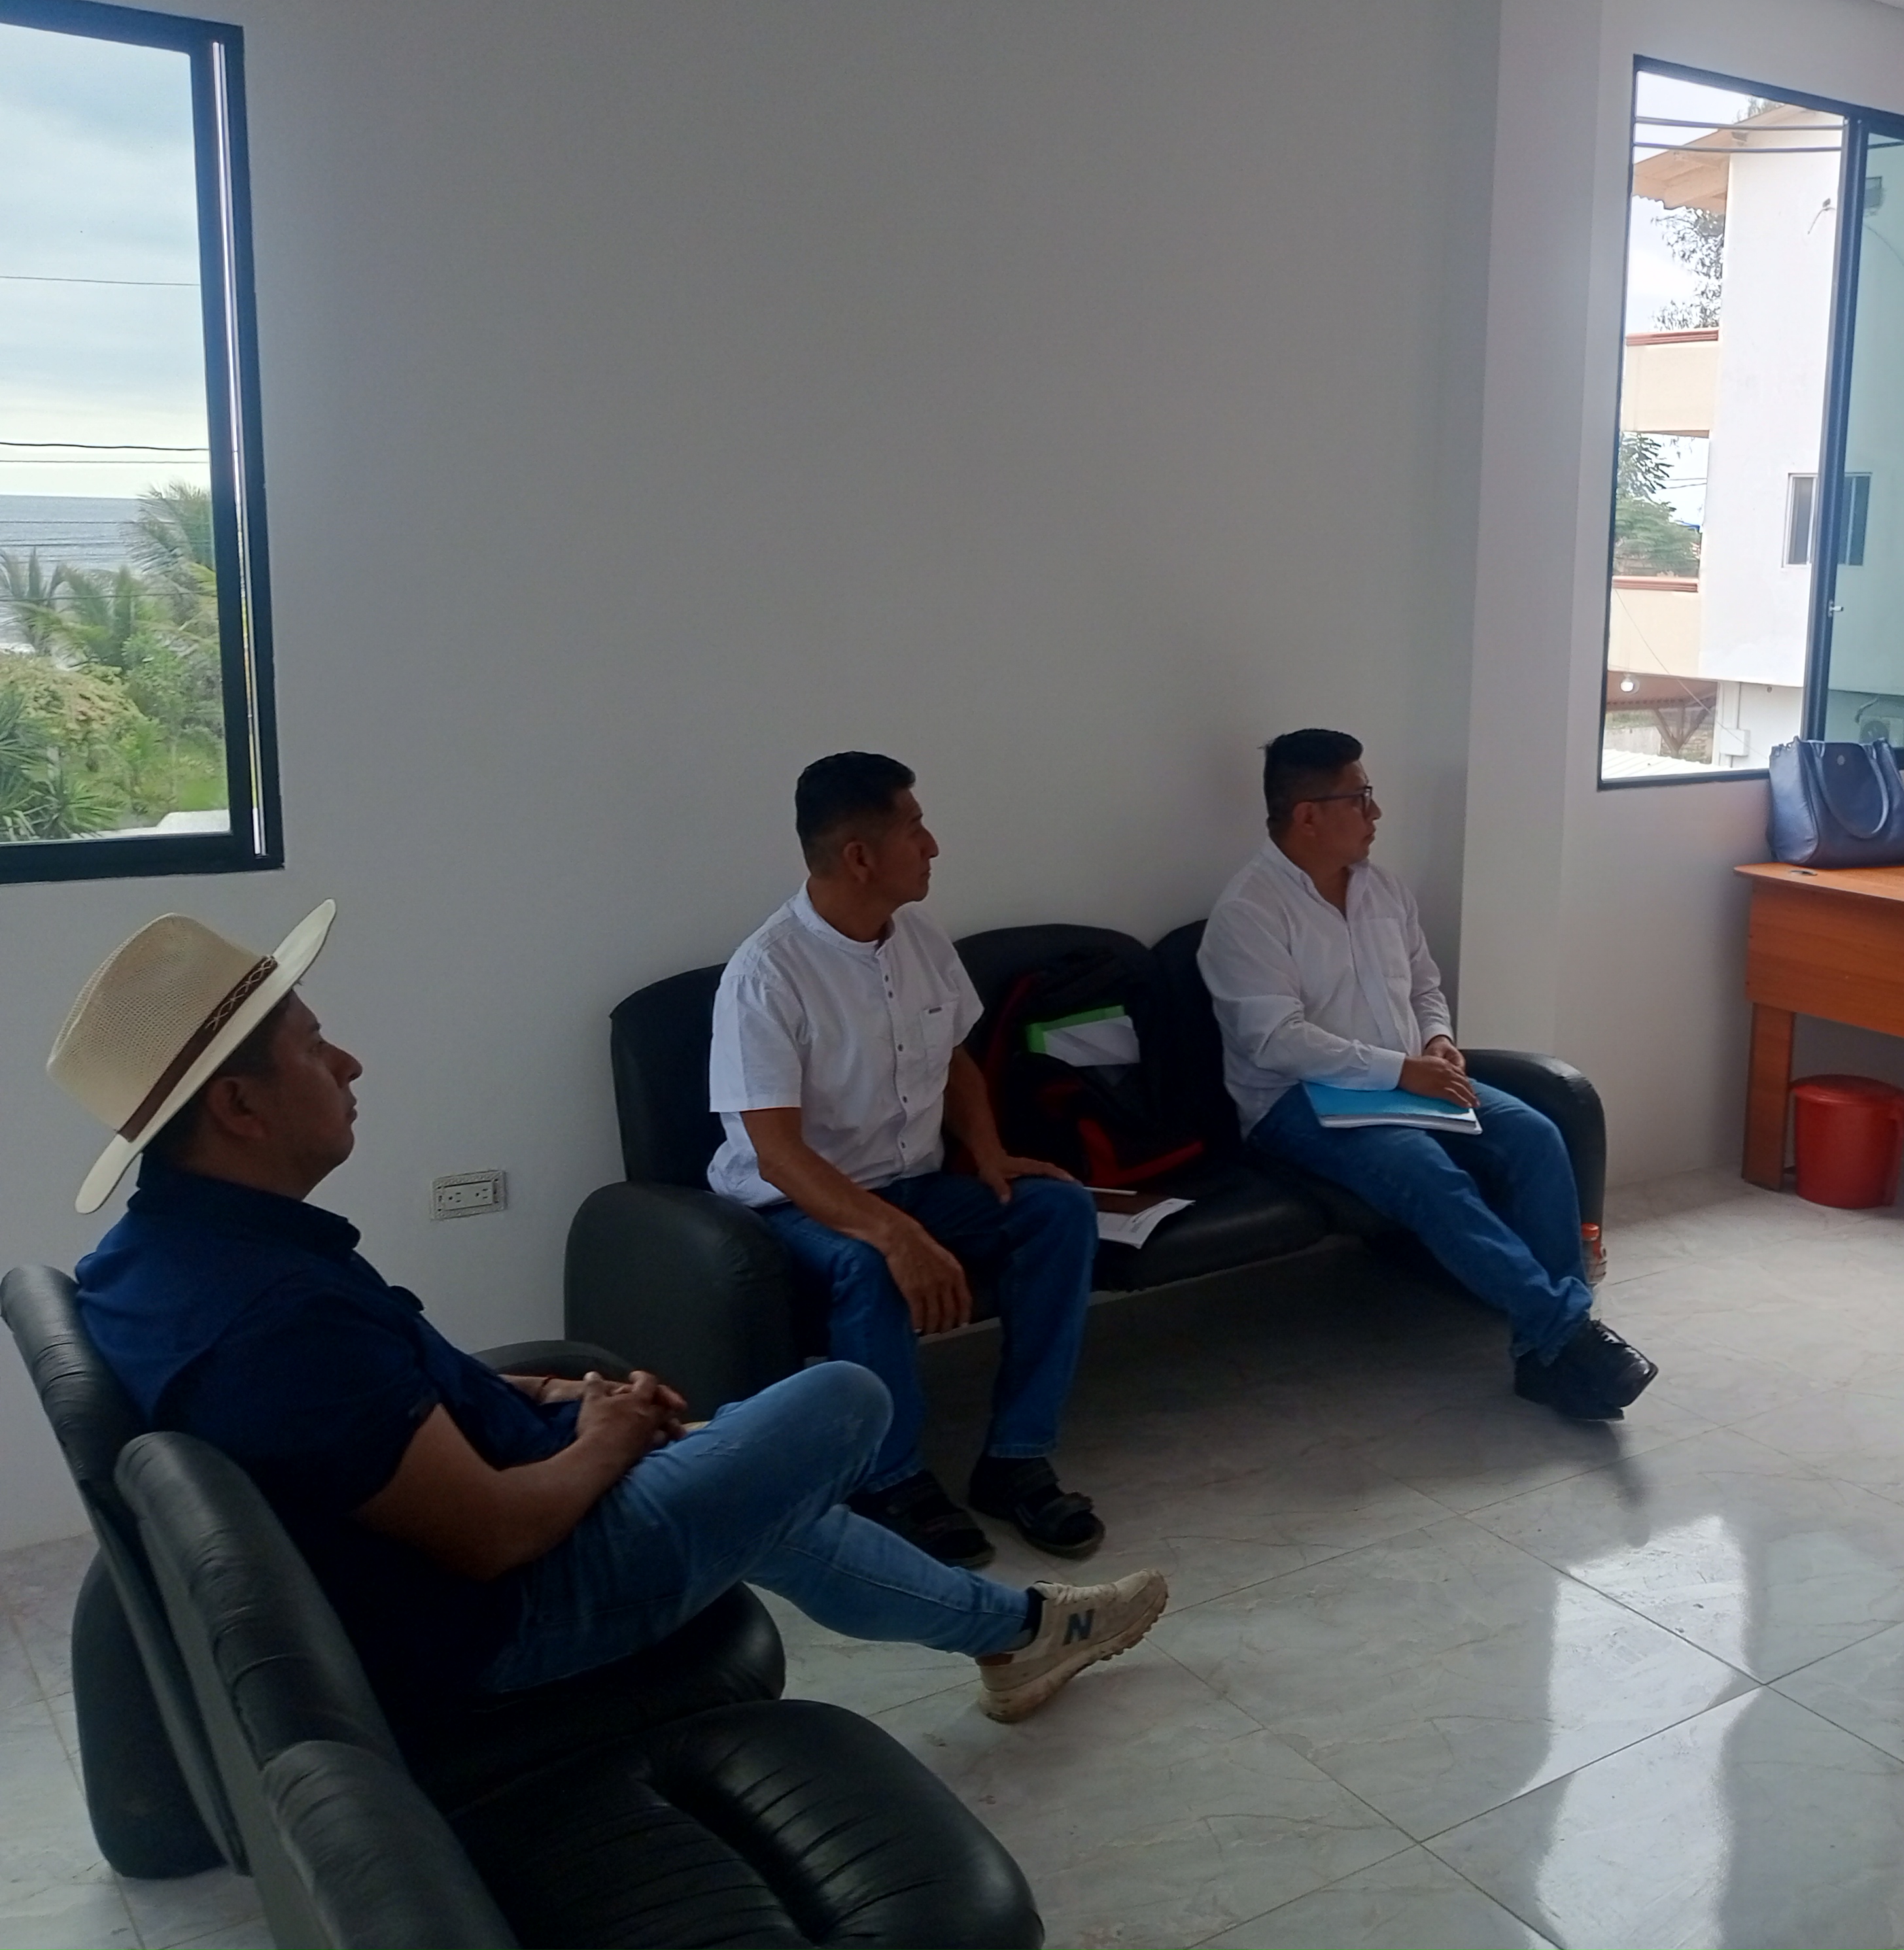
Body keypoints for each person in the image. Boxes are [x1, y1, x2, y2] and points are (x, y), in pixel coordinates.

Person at [54, 903, 1164, 1728]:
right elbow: (488, 1535)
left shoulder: (155, 1259)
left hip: (494, 1523)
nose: (349, 1062)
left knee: (753, 1479)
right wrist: (609, 1441)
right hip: (522, 1607)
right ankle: (1016, 1624)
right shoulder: (270, 1319)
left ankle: (1017, 1634)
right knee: (843, 1400)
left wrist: (551, 1392)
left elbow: (372, 1406)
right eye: (312, 1046)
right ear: (238, 1105)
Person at [710, 751, 1106, 1568]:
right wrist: (895, 1235)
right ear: (860, 856)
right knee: (867, 1264)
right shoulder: (766, 974)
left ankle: (1016, 1458)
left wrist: (989, 1154)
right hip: (798, 1206)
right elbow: (777, 1155)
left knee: (1059, 1211)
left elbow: (953, 1059)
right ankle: (888, 1480)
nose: (933, 846)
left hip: (915, 1182)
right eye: (915, 828)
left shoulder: (919, 939)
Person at [1198, 728, 1657, 1420]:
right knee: (1420, 1167)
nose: (1376, 813)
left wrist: (1438, 1040)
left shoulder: (1383, 890)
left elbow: (1423, 985)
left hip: (1406, 1080)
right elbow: (1275, 1042)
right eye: (1360, 798)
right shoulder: (1248, 914)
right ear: (1308, 816)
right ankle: (1566, 1334)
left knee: (1535, 1134)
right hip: (1298, 1100)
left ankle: (1547, 1352)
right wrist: (1399, 1070)